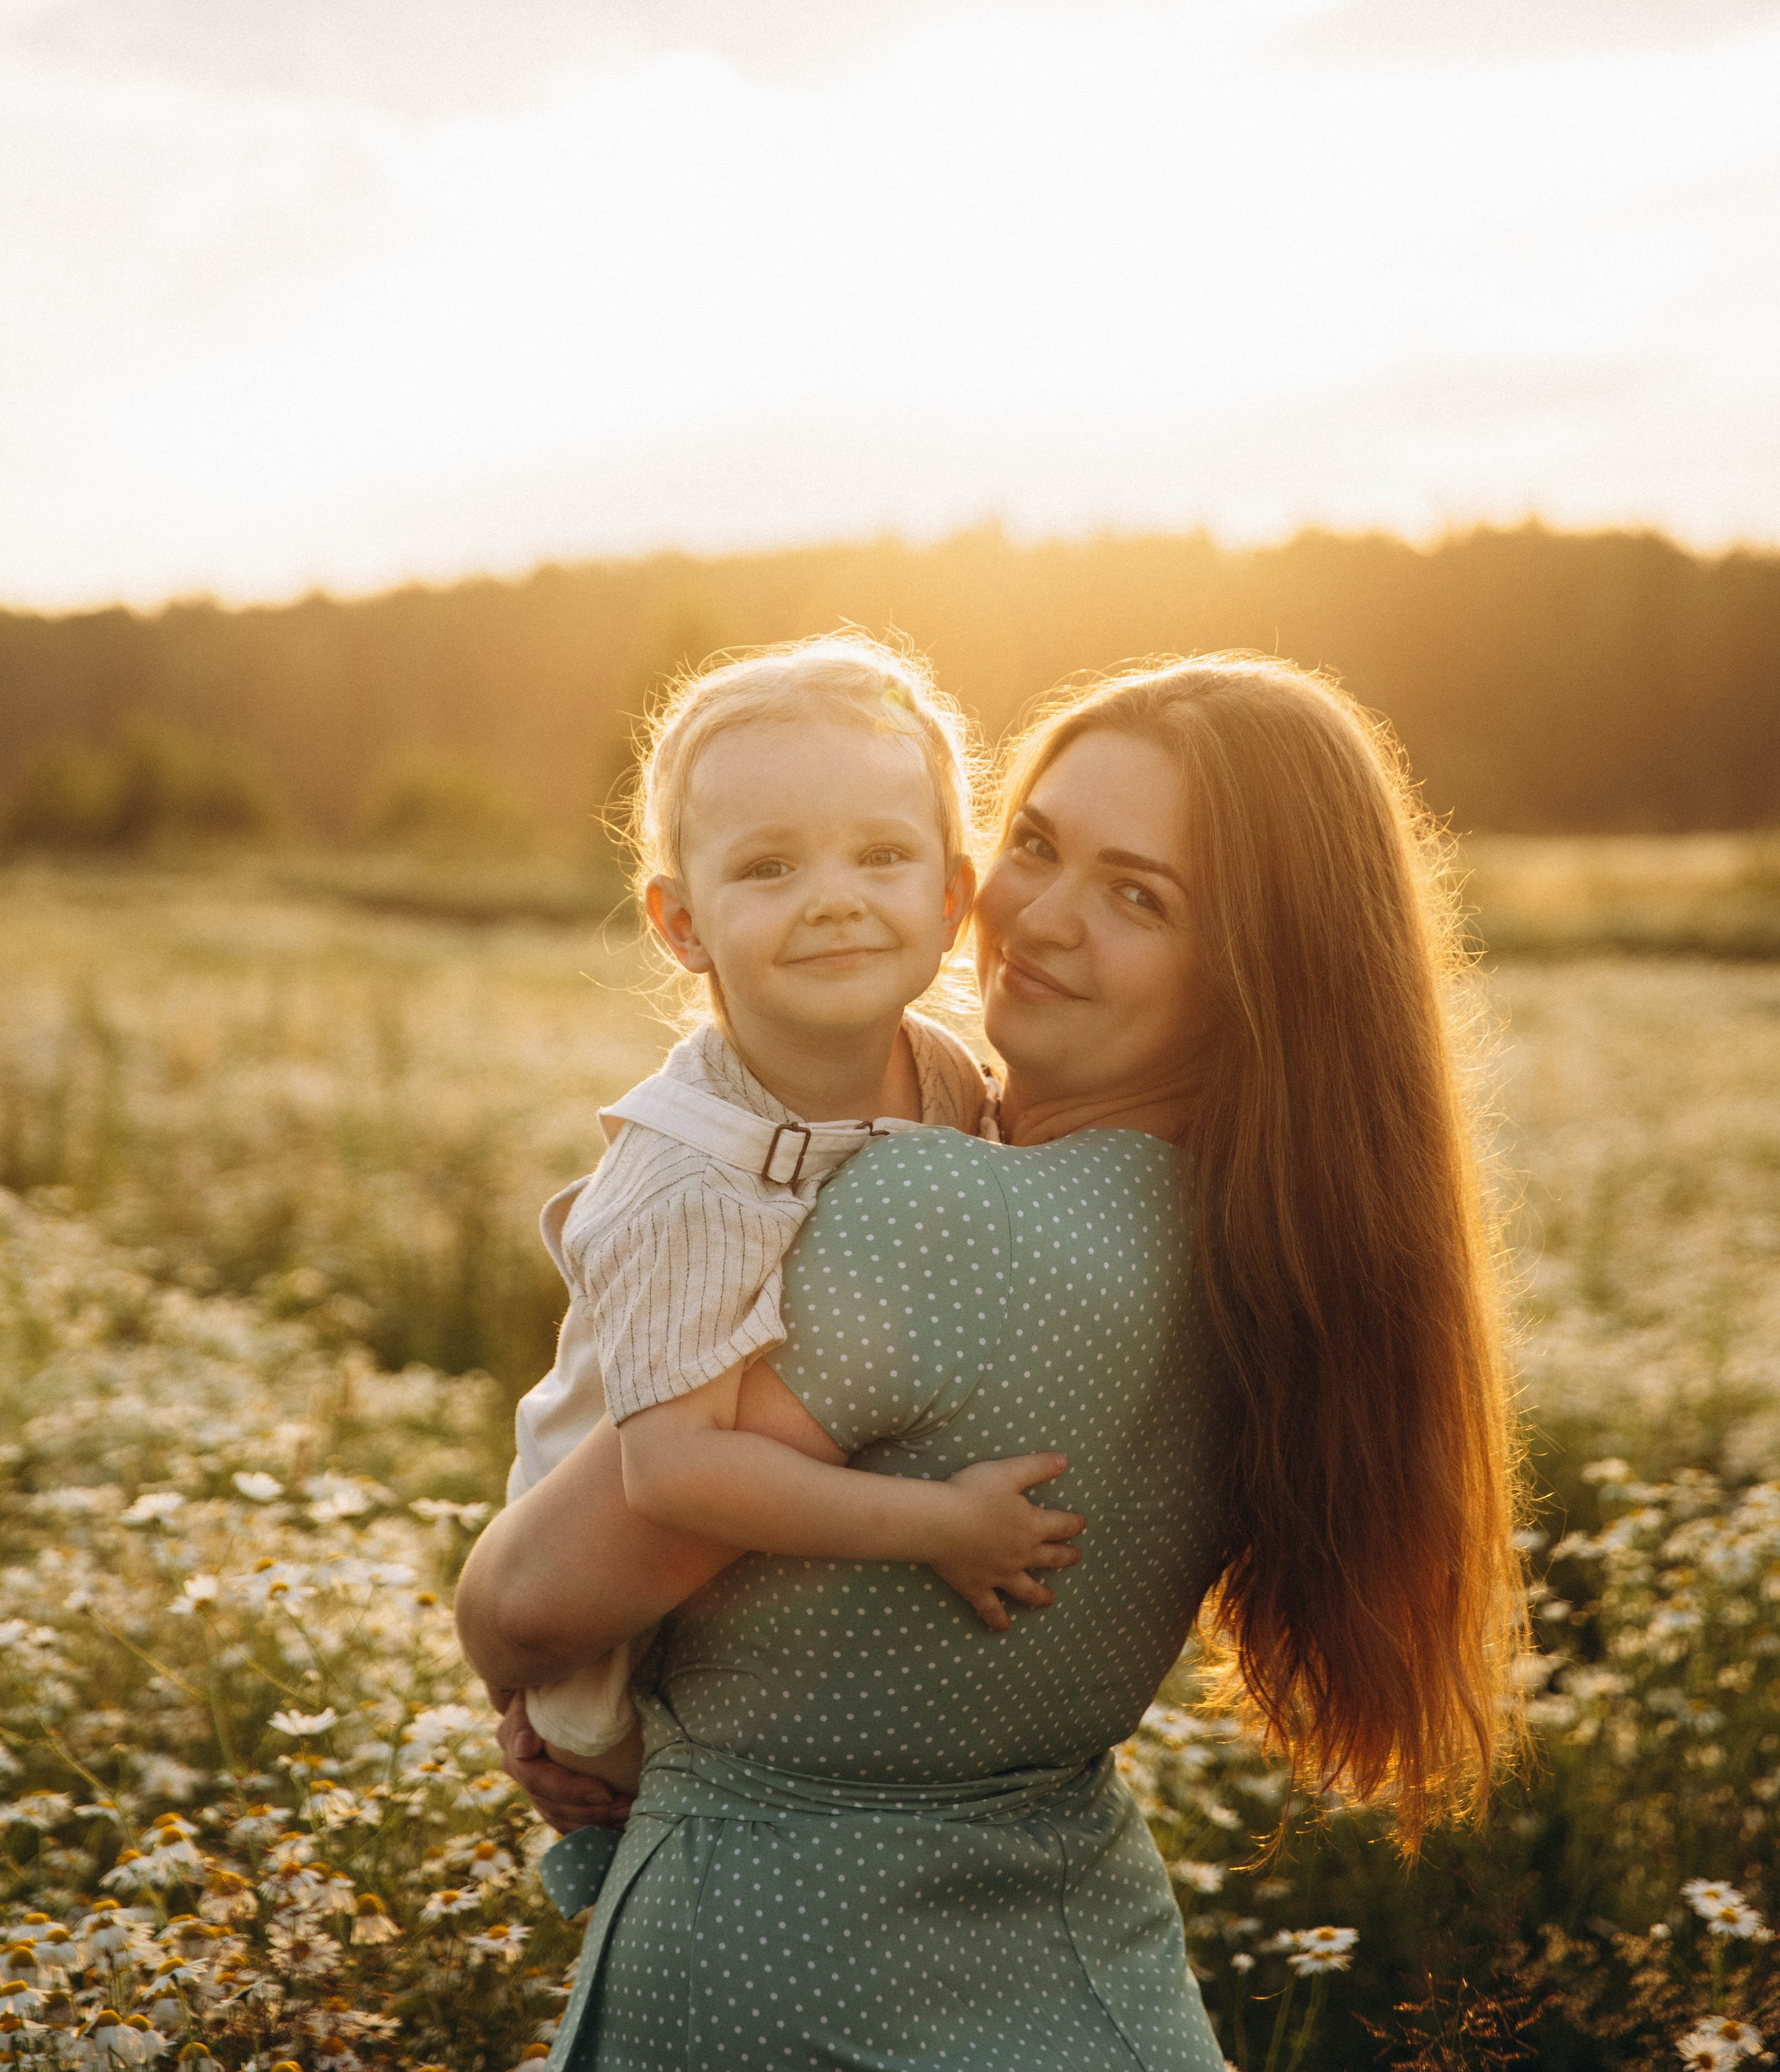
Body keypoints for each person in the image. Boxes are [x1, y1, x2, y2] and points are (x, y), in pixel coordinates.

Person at [455, 654, 1524, 2072]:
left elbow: (532, 1597)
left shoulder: (939, 1216)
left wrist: (533, 1694)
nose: (1033, 916)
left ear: (1257, 966)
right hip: (1091, 1968)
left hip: (773, 1986)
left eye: (1137, 895)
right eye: (1034, 844)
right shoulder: (1279, 1246)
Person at [508, 636, 1088, 1792]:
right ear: (682, 925)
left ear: (949, 898)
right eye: (769, 868)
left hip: (798, 1556)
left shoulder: (944, 1074)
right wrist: (940, 1525)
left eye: (880, 855)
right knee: (646, 1793)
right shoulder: (686, 1181)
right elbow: (670, 1477)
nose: (833, 900)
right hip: (610, 1624)